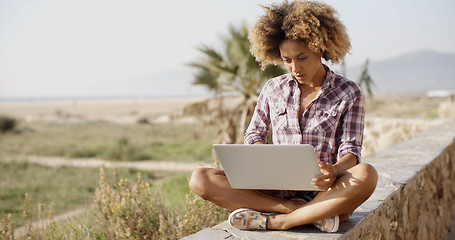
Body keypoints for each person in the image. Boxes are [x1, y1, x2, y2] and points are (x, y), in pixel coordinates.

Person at [189, 0, 378, 233]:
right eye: (286, 60)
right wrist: (261, 154)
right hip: (275, 187)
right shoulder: (273, 88)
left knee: (367, 174)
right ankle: (293, 209)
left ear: (320, 48)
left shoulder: (348, 92)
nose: (295, 68)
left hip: (325, 190)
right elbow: (254, 133)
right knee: (200, 178)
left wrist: (335, 171)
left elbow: (350, 150)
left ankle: (280, 221)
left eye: (302, 57)